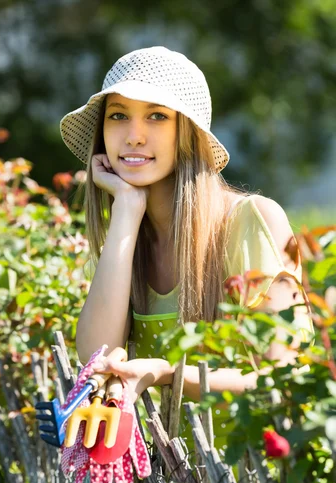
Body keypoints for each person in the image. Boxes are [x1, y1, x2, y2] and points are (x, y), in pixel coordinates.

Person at [60, 46, 311, 407]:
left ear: (188, 133)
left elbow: (283, 379)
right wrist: (127, 210)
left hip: (245, 464)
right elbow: (97, 356)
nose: (133, 136)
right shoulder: (128, 238)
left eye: (157, 116)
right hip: (157, 466)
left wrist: (167, 373)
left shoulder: (253, 221)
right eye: (117, 115)